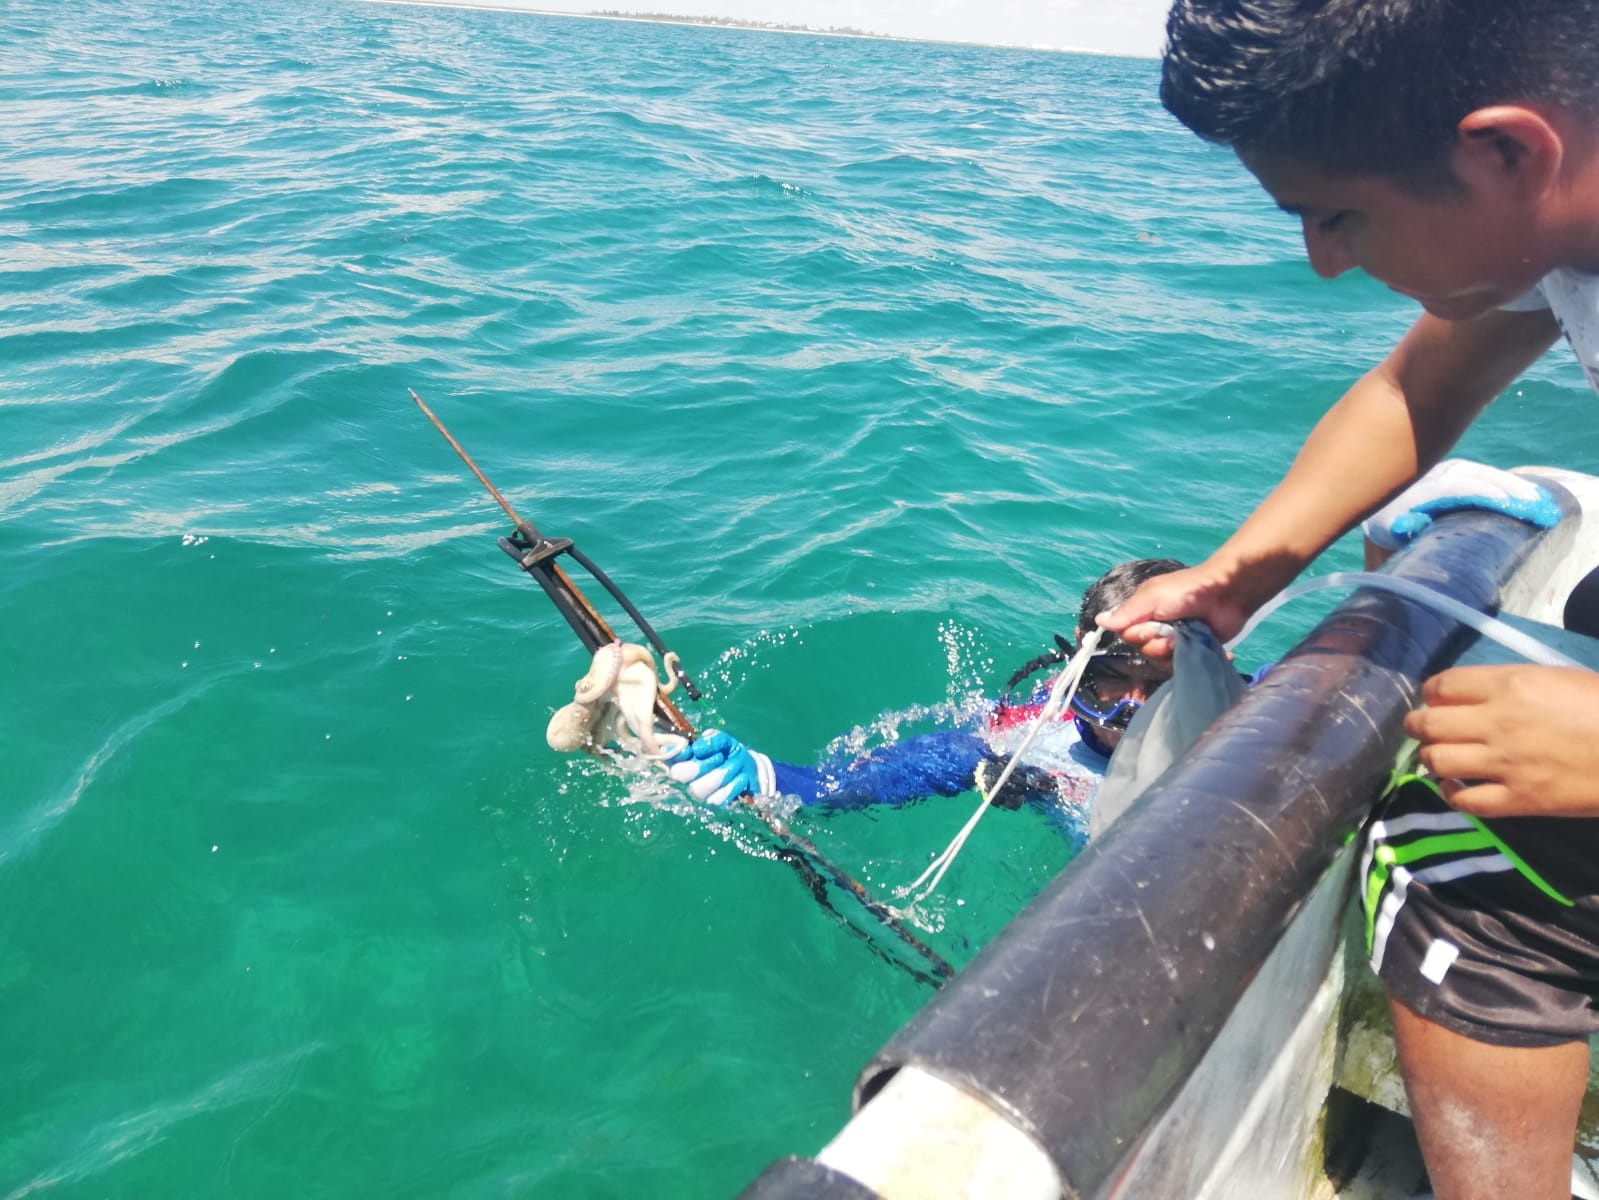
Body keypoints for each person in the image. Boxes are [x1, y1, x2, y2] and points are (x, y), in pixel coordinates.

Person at [1100, 4, 1599, 1197]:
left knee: (1446, 853)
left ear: (1510, 151)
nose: (1323, 258)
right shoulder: (1559, 225)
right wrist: (1239, 575)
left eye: (1338, 214)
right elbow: (1417, 385)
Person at [664, 559, 1186, 842]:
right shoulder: (1038, 726)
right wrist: (774, 778)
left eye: (1161, 685)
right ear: (1076, 664)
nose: (1132, 708)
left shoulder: (1233, 723)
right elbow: (921, 762)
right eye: (1108, 681)